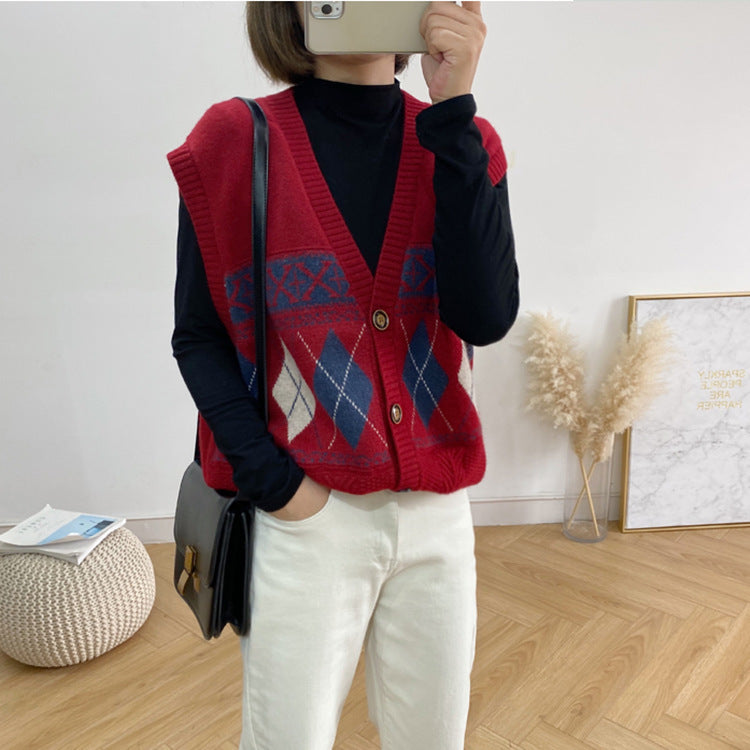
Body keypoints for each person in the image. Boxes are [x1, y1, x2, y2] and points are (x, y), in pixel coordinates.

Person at [168, 2, 518, 748]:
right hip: (306, 515)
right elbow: (198, 337)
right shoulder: (234, 141)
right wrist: (280, 489)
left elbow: (485, 317)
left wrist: (454, 108)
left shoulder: (463, 141)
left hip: (438, 515)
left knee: (434, 739)